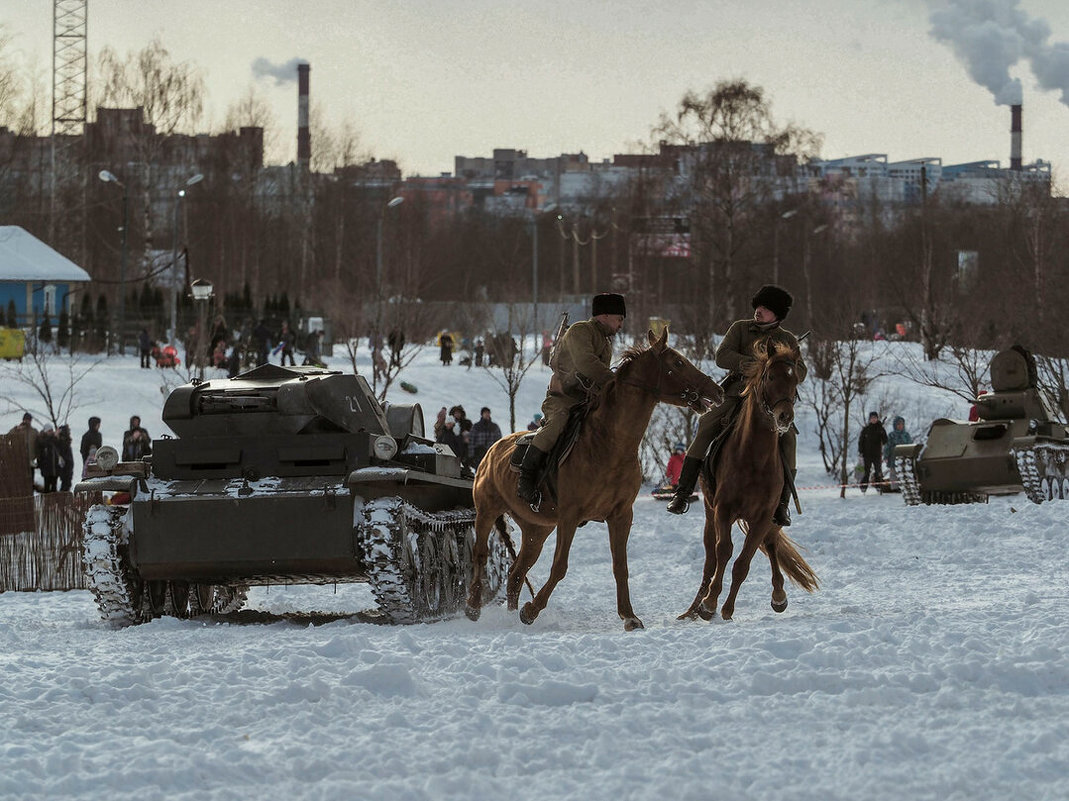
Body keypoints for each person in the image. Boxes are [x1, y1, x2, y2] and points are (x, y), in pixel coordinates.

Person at [667, 284, 806, 526]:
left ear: (777, 314)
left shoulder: (787, 339)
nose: (759, 311)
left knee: (789, 439)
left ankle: (781, 504)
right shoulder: (740, 329)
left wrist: (783, 367)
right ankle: (683, 491)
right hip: (736, 394)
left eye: (765, 308)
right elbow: (722, 356)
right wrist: (754, 364)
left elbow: (800, 371)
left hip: (771, 401)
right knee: (706, 422)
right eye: (758, 307)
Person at [517, 292, 626, 506]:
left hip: (588, 401)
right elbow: (586, 363)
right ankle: (526, 477)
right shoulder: (580, 331)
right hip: (562, 399)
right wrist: (616, 383)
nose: (621, 324)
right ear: (604, 316)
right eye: (619, 318)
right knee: (557, 424)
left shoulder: (605, 342)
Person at [858, 411, 888, 493]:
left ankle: (879, 486)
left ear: (877, 419)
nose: (873, 419)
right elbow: (861, 441)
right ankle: (863, 487)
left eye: (875, 418)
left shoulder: (880, 429)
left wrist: (882, 432)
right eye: (872, 418)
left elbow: (885, 440)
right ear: (870, 419)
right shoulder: (866, 429)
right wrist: (860, 451)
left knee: (878, 471)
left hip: (877, 454)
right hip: (867, 454)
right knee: (866, 471)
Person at [7, 412, 38, 484]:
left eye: (28, 420)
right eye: (25, 420)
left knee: (30, 481)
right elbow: (8, 436)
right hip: (19, 460)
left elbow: (40, 443)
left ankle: (30, 494)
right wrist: (16, 429)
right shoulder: (17, 430)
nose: (27, 421)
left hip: (30, 460)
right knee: (20, 481)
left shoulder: (34, 431)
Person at [884, 416, 913, 490]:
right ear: (895, 425)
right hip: (893, 457)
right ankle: (894, 488)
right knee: (893, 473)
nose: (900, 426)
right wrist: (886, 456)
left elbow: (911, 445)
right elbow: (887, 447)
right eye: (898, 424)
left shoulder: (906, 435)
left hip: (905, 457)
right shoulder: (891, 435)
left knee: (906, 473)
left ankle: (905, 487)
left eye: (902, 424)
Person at [36, 424, 60, 493]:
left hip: (54, 467)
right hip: (46, 467)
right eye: (49, 431)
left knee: (54, 486)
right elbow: (44, 444)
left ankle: (54, 502)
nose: (51, 432)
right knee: (47, 486)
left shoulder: (54, 438)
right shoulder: (41, 438)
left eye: (52, 430)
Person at [56, 424, 74, 492]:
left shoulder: (64, 442)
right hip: (66, 466)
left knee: (66, 484)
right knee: (66, 485)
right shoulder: (63, 442)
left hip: (67, 466)